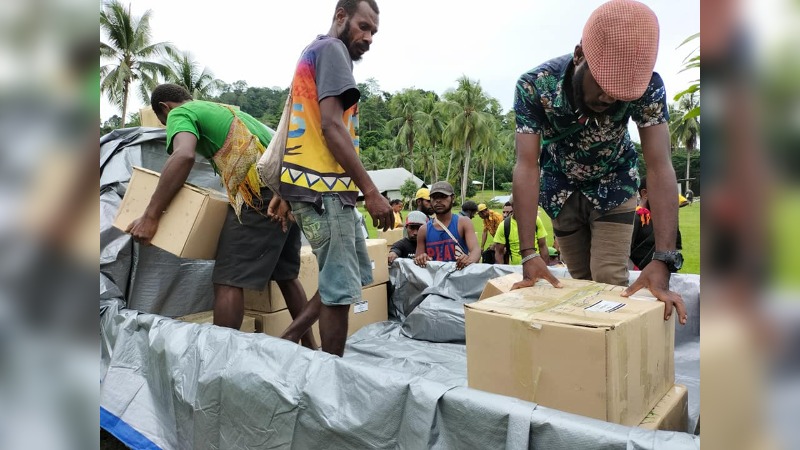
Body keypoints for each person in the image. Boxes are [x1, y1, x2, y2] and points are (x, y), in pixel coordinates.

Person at [511, 0, 686, 324]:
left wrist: (663, 258)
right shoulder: (535, 86)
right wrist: (528, 253)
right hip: (560, 188)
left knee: (608, 279)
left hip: (613, 184)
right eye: (604, 86)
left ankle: (615, 363)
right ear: (579, 55)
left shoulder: (649, 87)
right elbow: (526, 165)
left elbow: (660, 166)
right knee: (577, 283)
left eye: (622, 93)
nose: (609, 99)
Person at [125, 83, 318, 349]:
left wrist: (150, 216)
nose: (167, 126)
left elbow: (183, 156)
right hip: (286, 192)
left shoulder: (181, 113)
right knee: (286, 275)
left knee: (228, 279)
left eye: (163, 122)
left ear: (165, 108)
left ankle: (219, 362)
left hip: (259, 193)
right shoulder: (224, 110)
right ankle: (311, 349)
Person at [276, 0, 391, 357]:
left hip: (323, 190)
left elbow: (300, 125)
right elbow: (330, 126)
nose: (369, 37)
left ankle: (289, 337)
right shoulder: (333, 50)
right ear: (340, 16)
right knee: (340, 290)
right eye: (363, 26)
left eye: (373, 31)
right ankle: (330, 375)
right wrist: (371, 191)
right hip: (323, 190)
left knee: (348, 276)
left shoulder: (315, 52)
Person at [414, 181, 480, 270]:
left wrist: (468, 260)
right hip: (434, 281)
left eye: (443, 196)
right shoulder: (423, 230)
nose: (438, 201)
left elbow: (475, 250)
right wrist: (421, 258)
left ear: (453, 198)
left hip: (458, 279)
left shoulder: (463, 223)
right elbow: (418, 260)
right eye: (434, 197)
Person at [630, 176, 683, 270]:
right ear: (645, 193)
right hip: (638, 276)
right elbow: (623, 255)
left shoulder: (670, 220)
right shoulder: (635, 218)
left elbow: (676, 249)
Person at [493, 201, 549, 265]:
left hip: (536, 266)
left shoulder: (535, 220)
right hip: (516, 269)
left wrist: (546, 268)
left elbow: (543, 246)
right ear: (512, 206)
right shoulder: (504, 225)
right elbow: (499, 252)